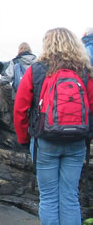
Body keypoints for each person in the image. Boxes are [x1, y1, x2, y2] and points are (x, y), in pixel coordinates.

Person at [13, 27, 93, 225]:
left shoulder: (37, 70)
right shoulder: (85, 71)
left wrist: (24, 139)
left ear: (48, 44)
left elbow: (20, 109)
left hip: (44, 141)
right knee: (70, 197)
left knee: (48, 198)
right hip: (77, 142)